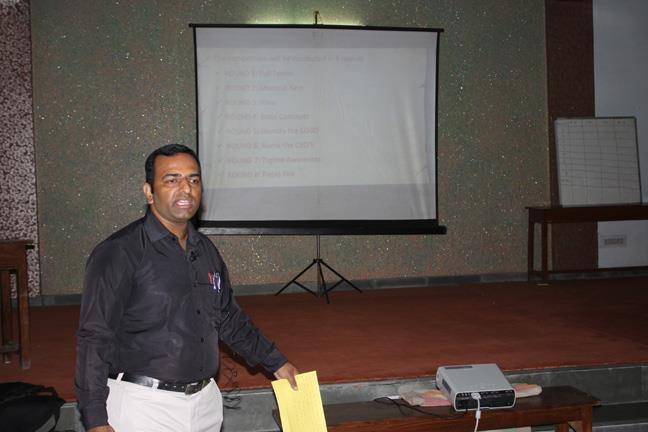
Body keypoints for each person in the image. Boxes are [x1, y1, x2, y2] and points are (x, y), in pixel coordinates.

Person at [75, 144, 298, 432]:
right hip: (143, 406)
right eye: (172, 180)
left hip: (205, 405)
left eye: (194, 180)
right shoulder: (119, 252)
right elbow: (95, 336)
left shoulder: (205, 250)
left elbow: (228, 318)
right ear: (149, 191)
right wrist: (95, 419)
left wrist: (276, 362)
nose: (186, 189)